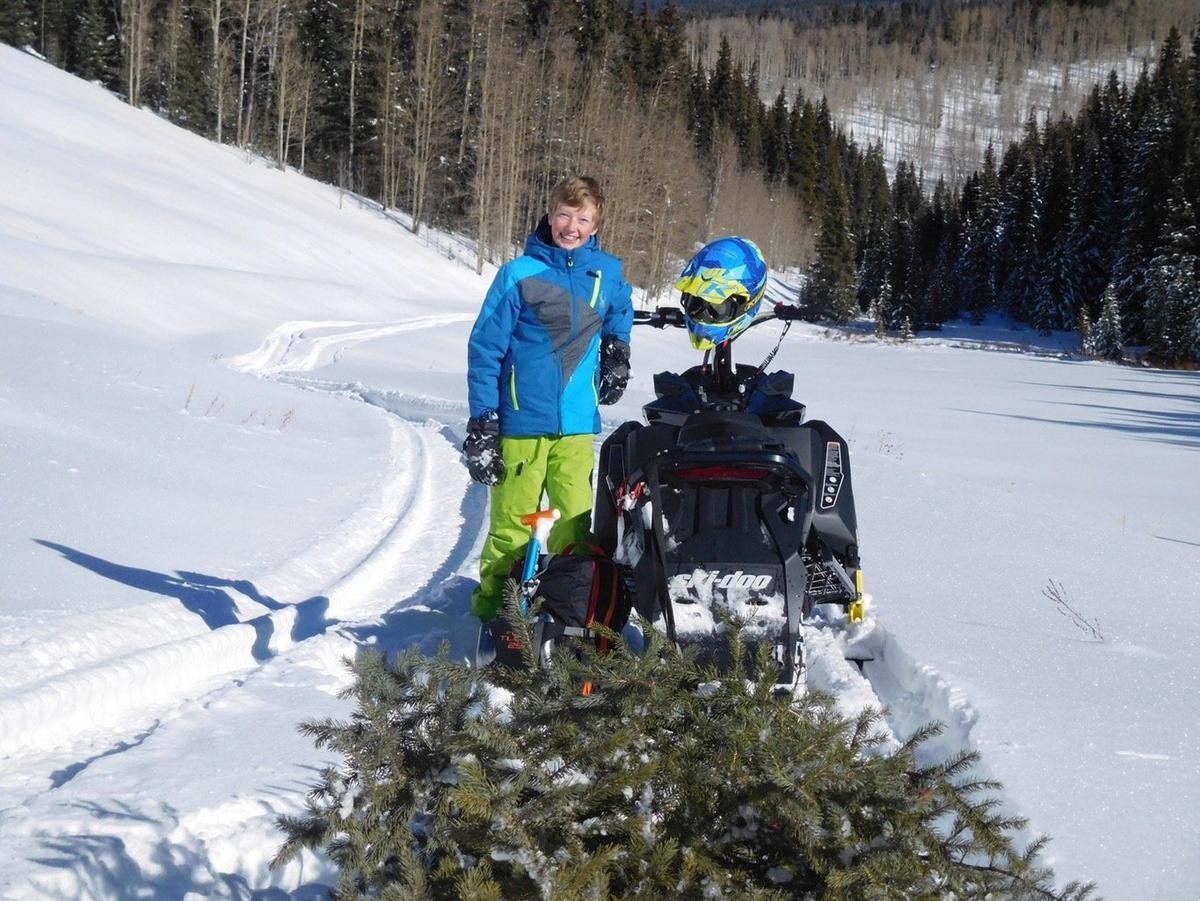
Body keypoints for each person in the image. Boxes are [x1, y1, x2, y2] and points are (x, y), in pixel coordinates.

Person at [463, 176, 633, 623]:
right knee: (512, 528)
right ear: (549, 214)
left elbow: (621, 308)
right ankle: (496, 618)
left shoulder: (607, 272)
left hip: (576, 425)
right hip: (521, 424)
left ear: (596, 225)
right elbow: (485, 350)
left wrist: (618, 349)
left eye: (583, 219)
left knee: (576, 527)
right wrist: (483, 423)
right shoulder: (519, 274)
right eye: (564, 215)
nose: (571, 227)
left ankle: (569, 615)